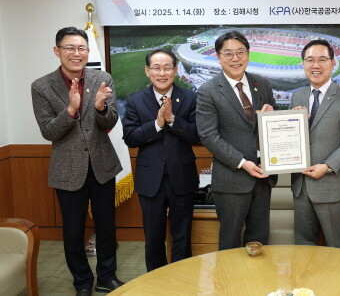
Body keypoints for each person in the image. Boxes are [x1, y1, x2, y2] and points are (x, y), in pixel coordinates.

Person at [31, 27, 124, 296]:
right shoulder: (41, 86)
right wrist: (71, 110)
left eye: (81, 48)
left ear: (87, 51)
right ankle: (82, 282)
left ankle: (107, 277)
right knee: (73, 231)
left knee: (107, 227)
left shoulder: (102, 78)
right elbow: (48, 131)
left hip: (102, 164)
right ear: (57, 51)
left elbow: (111, 121)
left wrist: (100, 108)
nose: (76, 53)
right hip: (67, 168)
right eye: (70, 48)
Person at [196, 30, 277, 250]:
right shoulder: (208, 91)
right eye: (229, 54)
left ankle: (258, 284)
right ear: (218, 57)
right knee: (230, 243)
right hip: (232, 179)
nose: (235, 59)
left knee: (259, 240)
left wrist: (271, 114)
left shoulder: (262, 84)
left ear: (248, 55)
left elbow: (271, 127)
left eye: (240, 52)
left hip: (263, 176)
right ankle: (229, 285)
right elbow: (209, 136)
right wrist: (243, 163)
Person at [122, 48, 199, 271]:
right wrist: (157, 125)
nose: (162, 73)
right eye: (156, 68)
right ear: (148, 71)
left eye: (167, 68)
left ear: (175, 70)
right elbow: (130, 138)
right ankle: (155, 284)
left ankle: (182, 281)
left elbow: (196, 135)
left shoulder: (191, 98)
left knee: (182, 236)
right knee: (153, 237)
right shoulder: (136, 100)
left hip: (182, 177)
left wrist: (173, 119)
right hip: (150, 180)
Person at [290, 39, 340, 248]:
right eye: (310, 60)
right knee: (303, 246)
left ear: (333, 64)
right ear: (303, 64)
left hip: (330, 186)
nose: (316, 65)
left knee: (336, 246)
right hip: (301, 187)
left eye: (322, 60)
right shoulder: (297, 96)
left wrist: (328, 166)